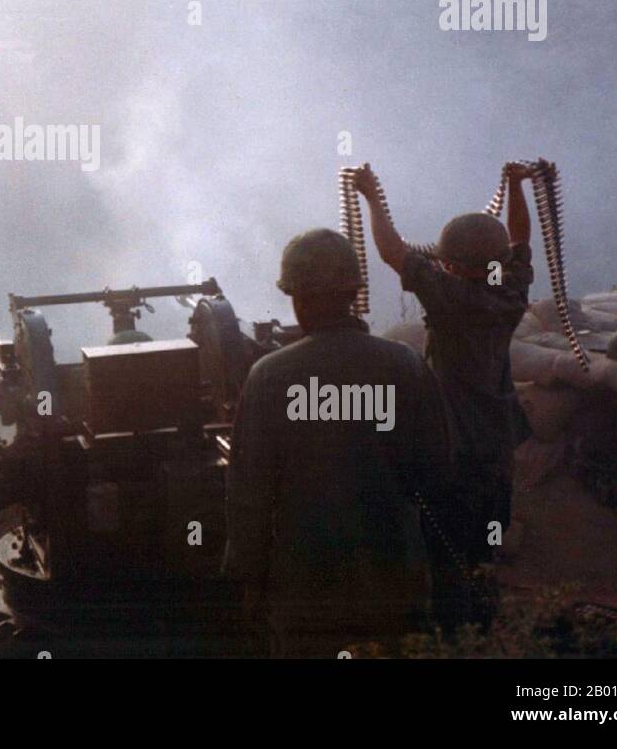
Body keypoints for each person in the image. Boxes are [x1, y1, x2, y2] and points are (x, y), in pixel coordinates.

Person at [224, 228, 452, 656]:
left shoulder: (270, 377)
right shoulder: (404, 365)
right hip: (394, 585)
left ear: (298, 298)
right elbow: (439, 475)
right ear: (352, 291)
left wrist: (248, 586)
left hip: (308, 595)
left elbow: (249, 499)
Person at [353, 162, 536, 629]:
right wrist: (516, 186)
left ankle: (456, 639)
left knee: (446, 562)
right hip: (496, 454)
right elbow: (518, 241)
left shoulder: (449, 299)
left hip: (452, 456)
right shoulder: (509, 291)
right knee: (483, 556)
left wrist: (372, 196)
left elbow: (393, 251)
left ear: (450, 263)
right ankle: (486, 632)